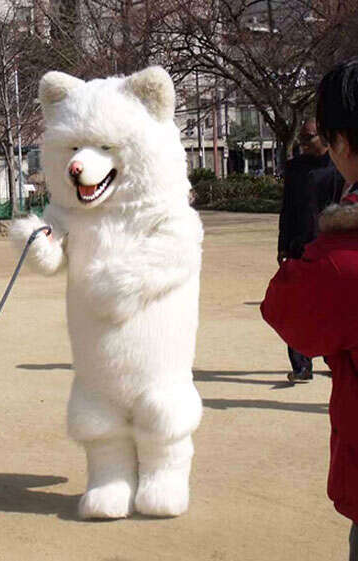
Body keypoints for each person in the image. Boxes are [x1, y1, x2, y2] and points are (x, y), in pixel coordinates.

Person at [261, 57, 358, 560]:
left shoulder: (341, 261)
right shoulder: (301, 171)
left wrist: (336, 228)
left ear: (340, 142)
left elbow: (286, 309)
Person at [277, 119, 342, 382]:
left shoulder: (340, 166)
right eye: (301, 139)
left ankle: (333, 358)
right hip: (300, 246)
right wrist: (283, 244)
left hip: (331, 247)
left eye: (309, 138)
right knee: (298, 308)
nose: (303, 144)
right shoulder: (295, 168)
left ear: (324, 137)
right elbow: (287, 209)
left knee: (332, 307)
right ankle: (301, 365)